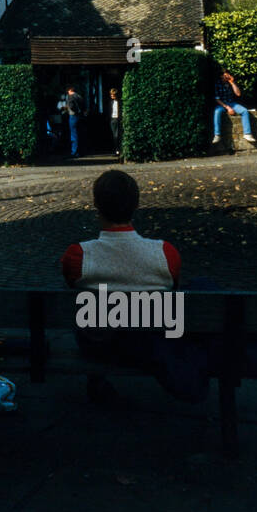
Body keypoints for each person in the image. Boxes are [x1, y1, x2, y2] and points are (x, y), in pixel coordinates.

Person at [60, 168, 199, 403]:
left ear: (96, 205)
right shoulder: (166, 253)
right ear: (136, 205)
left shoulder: (78, 256)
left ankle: (97, 380)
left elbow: (71, 285)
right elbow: (173, 287)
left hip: (99, 346)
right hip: (148, 343)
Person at [213, 68, 255, 146]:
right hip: (222, 104)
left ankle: (247, 134)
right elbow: (217, 99)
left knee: (244, 111)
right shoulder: (217, 84)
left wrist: (232, 83)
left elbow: (238, 94)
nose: (227, 76)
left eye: (227, 74)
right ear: (221, 76)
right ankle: (217, 135)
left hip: (232, 103)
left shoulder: (231, 83)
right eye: (225, 74)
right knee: (217, 111)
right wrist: (227, 108)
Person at [65, 85, 85, 158]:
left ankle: (74, 152)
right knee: (80, 133)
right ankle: (80, 151)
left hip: (73, 116)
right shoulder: (79, 96)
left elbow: (71, 106)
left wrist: (73, 111)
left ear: (69, 90)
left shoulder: (70, 97)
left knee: (73, 134)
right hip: (80, 116)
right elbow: (84, 106)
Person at [109, 87, 122, 157]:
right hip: (113, 119)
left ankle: (119, 150)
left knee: (118, 135)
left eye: (113, 95)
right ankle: (116, 150)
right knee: (114, 135)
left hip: (118, 119)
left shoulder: (119, 102)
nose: (112, 96)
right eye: (111, 95)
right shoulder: (111, 102)